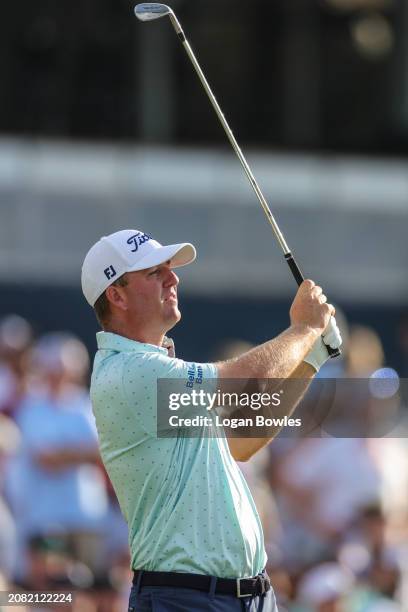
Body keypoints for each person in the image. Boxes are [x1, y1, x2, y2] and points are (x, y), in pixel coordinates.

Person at [81, 229, 342, 612]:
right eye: (154, 273)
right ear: (116, 296)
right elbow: (241, 380)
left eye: (168, 268)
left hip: (245, 597)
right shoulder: (129, 372)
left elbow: (242, 441)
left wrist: (312, 357)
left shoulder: (157, 369)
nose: (173, 278)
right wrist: (303, 329)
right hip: (185, 598)